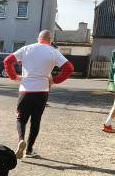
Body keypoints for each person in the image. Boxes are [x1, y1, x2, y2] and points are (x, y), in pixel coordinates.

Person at [4, 30, 73, 159]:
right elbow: (69, 68)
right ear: (50, 39)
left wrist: (14, 77)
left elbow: (7, 61)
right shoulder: (53, 52)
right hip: (42, 90)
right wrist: (54, 80)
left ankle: (21, 140)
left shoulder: (26, 49)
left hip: (26, 89)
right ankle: (29, 150)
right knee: (36, 120)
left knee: (21, 118)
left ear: (38, 39)